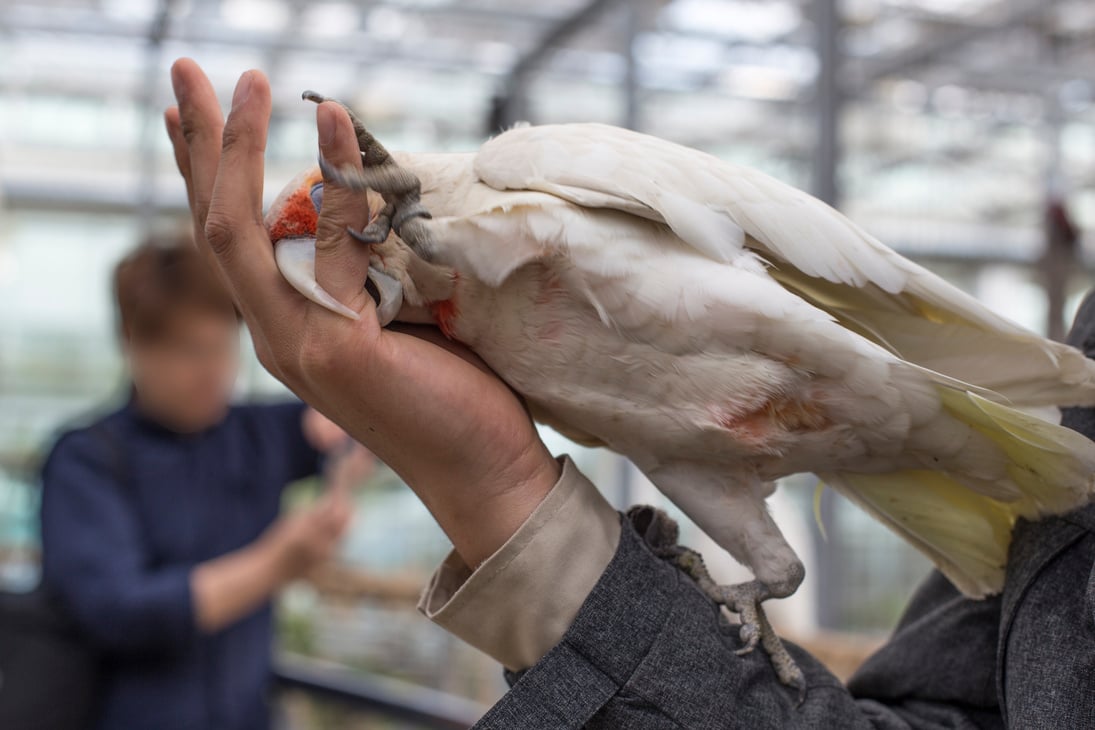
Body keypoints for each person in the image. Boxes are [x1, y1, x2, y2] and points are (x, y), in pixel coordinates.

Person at [165, 58, 1095, 729]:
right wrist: (499, 490)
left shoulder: (518, 174)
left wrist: (417, 226)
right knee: (771, 575)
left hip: (806, 346)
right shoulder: (511, 364)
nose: (372, 267)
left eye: (376, 230)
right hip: (768, 433)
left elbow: (541, 240)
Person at [40, 237, 372, 730]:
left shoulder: (253, 434)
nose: (213, 372)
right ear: (134, 343)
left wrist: (347, 438)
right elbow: (121, 610)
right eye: (191, 351)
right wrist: (274, 563)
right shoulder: (87, 460)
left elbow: (350, 424)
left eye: (223, 347)